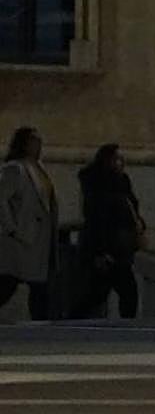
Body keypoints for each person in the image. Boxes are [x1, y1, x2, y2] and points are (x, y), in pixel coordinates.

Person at [73, 144, 143, 319]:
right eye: (116, 159)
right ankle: (73, 318)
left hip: (119, 248)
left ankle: (73, 317)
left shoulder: (121, 183)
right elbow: (98, 220)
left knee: (100, 292)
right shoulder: (99, 188)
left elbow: (130, 210)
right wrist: (102, 252)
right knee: (122, 291)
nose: (120, 163)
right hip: (108, 248)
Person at [0, 127, 58, 320]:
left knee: (38, 284)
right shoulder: (15, 168)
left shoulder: (39, 168)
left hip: (39, 239)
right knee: (10, 280)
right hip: (21, 237)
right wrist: (12, 228)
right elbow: (1, 200)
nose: (37, 146)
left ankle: (41, 321)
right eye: (33, 141)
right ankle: (41, 320)